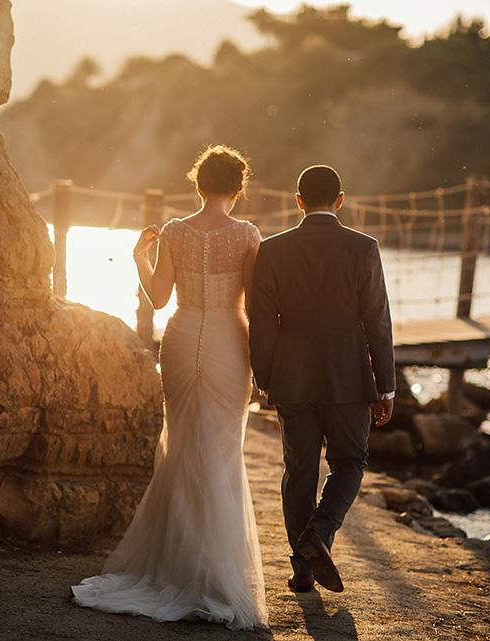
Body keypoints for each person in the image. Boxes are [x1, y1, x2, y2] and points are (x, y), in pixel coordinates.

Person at [71, 145, 268, 630]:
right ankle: (214, 578)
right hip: (229, 340)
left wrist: (141, 256)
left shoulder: (176, 231)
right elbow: (257, 306)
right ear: (238, 188)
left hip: (181, 340)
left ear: (197, 186)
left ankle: (174, 569)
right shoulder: (247, 234)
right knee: (221, 452)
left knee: (180, 448)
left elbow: (158, 300)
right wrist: (265, 365)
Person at [248, 164, 395, 594]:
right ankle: (320, 532)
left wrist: (265, 375)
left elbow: (261, 321)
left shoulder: (272, 250)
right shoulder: (364, 247)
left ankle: (303, 568)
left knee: (299, 472)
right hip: (349, 376)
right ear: (341, 200)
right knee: (350, 463)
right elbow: (377, 321)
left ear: (298, 202)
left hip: (291, 377)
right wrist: (385, 385)